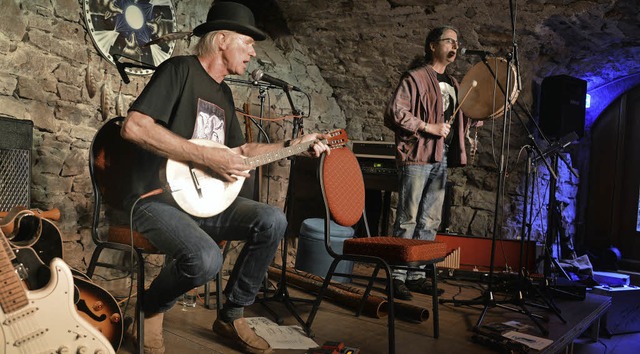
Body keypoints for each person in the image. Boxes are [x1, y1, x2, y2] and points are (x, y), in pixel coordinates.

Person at [120, 2, 331, 354]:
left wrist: (295, 145)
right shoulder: (179, 70)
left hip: (202, 203)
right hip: (154, 199)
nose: (252, 52)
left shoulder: (224, 93)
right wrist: (203, 154)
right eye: (247, 42)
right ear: (221, 40)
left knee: (272, 219)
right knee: (205, 259)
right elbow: (134, 127)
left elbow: (241, 153)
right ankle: (149, 307)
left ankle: (232, 313)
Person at [384, 25, 472, 300]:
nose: (455, 46)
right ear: (433, 45)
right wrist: (427, 127)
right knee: (408, 218)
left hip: (441, 156)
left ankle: (416, 274)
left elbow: (462, 118)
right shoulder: (415, 77)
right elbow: (395, 113)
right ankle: (396, 276)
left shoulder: (456, 85)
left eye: (457, 42)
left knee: (430, 220)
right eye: (449, 41)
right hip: (418, 154)